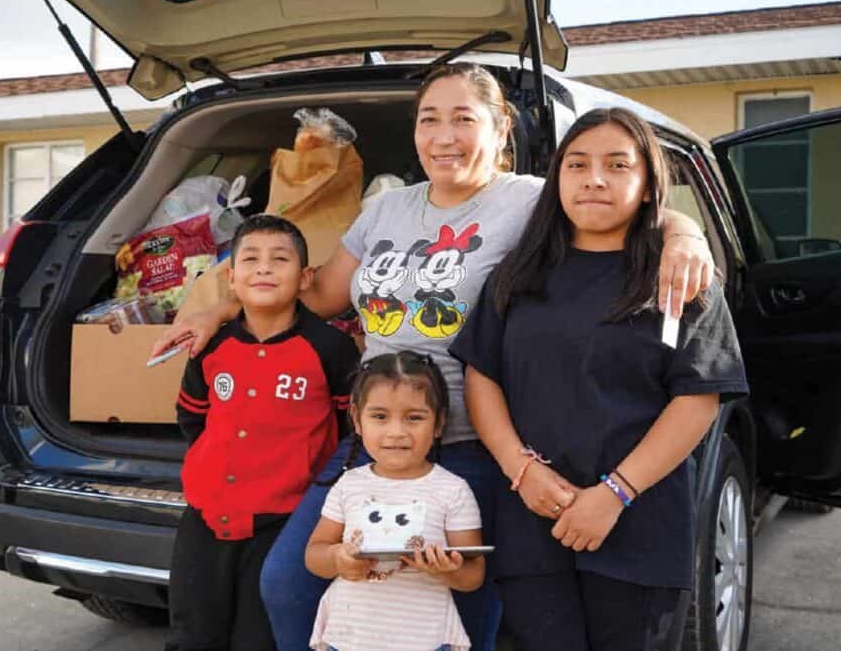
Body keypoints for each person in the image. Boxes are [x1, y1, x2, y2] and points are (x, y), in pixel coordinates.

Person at [153, 63, 716, 651]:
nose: (444, 136)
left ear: (501, 129)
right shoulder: (387, 209)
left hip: (471, 445)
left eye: (463, 119)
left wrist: (684, 235)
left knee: (461, 610)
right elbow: (316, 297)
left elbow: (613, 208)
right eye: (429, 120)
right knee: (290, 585)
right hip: (372, 439)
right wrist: (219, 311)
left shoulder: (527, 200)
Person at [450, 107, 749, 651]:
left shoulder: (676, 274)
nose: (594, 179)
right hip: (531, 519)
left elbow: (698, 398)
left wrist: (615, 493)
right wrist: (522, 471)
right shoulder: (519, 274)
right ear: (556, 177)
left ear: (647, 183)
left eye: (617, 165)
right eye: (578, 164)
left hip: (639, 524)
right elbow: (482, 375)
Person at [166, 214, 360, 651]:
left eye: (280, 259)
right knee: (193, 634)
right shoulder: (211, 345)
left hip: (283, 521)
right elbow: (192, 417)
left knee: (259, 638)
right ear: (231, 277)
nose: (264, 268)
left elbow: (350, 430)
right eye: (250, 259)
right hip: (205, 519)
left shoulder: (330, 349)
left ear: (305, 276)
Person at [305, 351, 484, 651]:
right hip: (349, 638)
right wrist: (339, 559)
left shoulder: (453, 490)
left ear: (438, 424)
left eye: (414, 418)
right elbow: (314, 555)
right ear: (357, 420)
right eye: (379, 416)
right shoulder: (350, 484)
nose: (396, 432)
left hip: (425, 640)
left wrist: (448, 570)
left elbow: (474, 574)